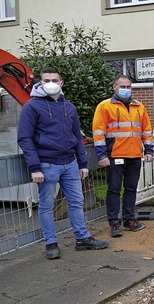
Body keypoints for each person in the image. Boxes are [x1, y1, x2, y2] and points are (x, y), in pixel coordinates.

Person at [17, 67, 109, 259]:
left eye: (54, 80)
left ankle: (82, 239)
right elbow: (25, 138)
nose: (50, 83)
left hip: (70, 163)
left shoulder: (69, 107)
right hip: (47, 164)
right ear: (40, 83)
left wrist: (83, 164)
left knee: (76, 202)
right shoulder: (32, 107)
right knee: (46, 205)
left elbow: (76, 137)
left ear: (61, 83)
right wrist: (34, 167)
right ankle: (51, 244)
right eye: (46, 80)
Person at [93, 74, 154, 237]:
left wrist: (148, 150)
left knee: (131, 189)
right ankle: (114, 223)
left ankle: (129, 219)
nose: (126, 90)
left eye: (128, 87)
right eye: (123, 87)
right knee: (114, 189)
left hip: (134, 155)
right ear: (114, 87)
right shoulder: (104, 107)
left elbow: (146, 131)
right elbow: (98, 133)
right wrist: (102, 155)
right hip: (115, 155)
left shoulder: (139, 107)